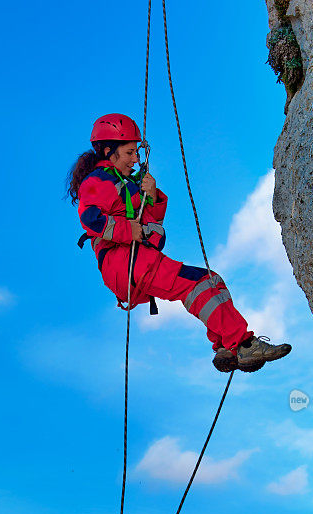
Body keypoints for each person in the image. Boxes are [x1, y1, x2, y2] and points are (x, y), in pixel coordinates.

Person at [67, 113, 291, 372]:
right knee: (197, 284)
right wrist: (132, 230)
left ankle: (226, 348)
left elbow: (154, 237)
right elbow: (91, 218)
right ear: (109, 151)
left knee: (210, 279)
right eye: (129, 152)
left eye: (136, 153)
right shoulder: (100, 180)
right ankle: (242, 344)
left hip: (135, 260)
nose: (135, 159)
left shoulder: (125, 185)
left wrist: (151, 199)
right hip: (125, 261)